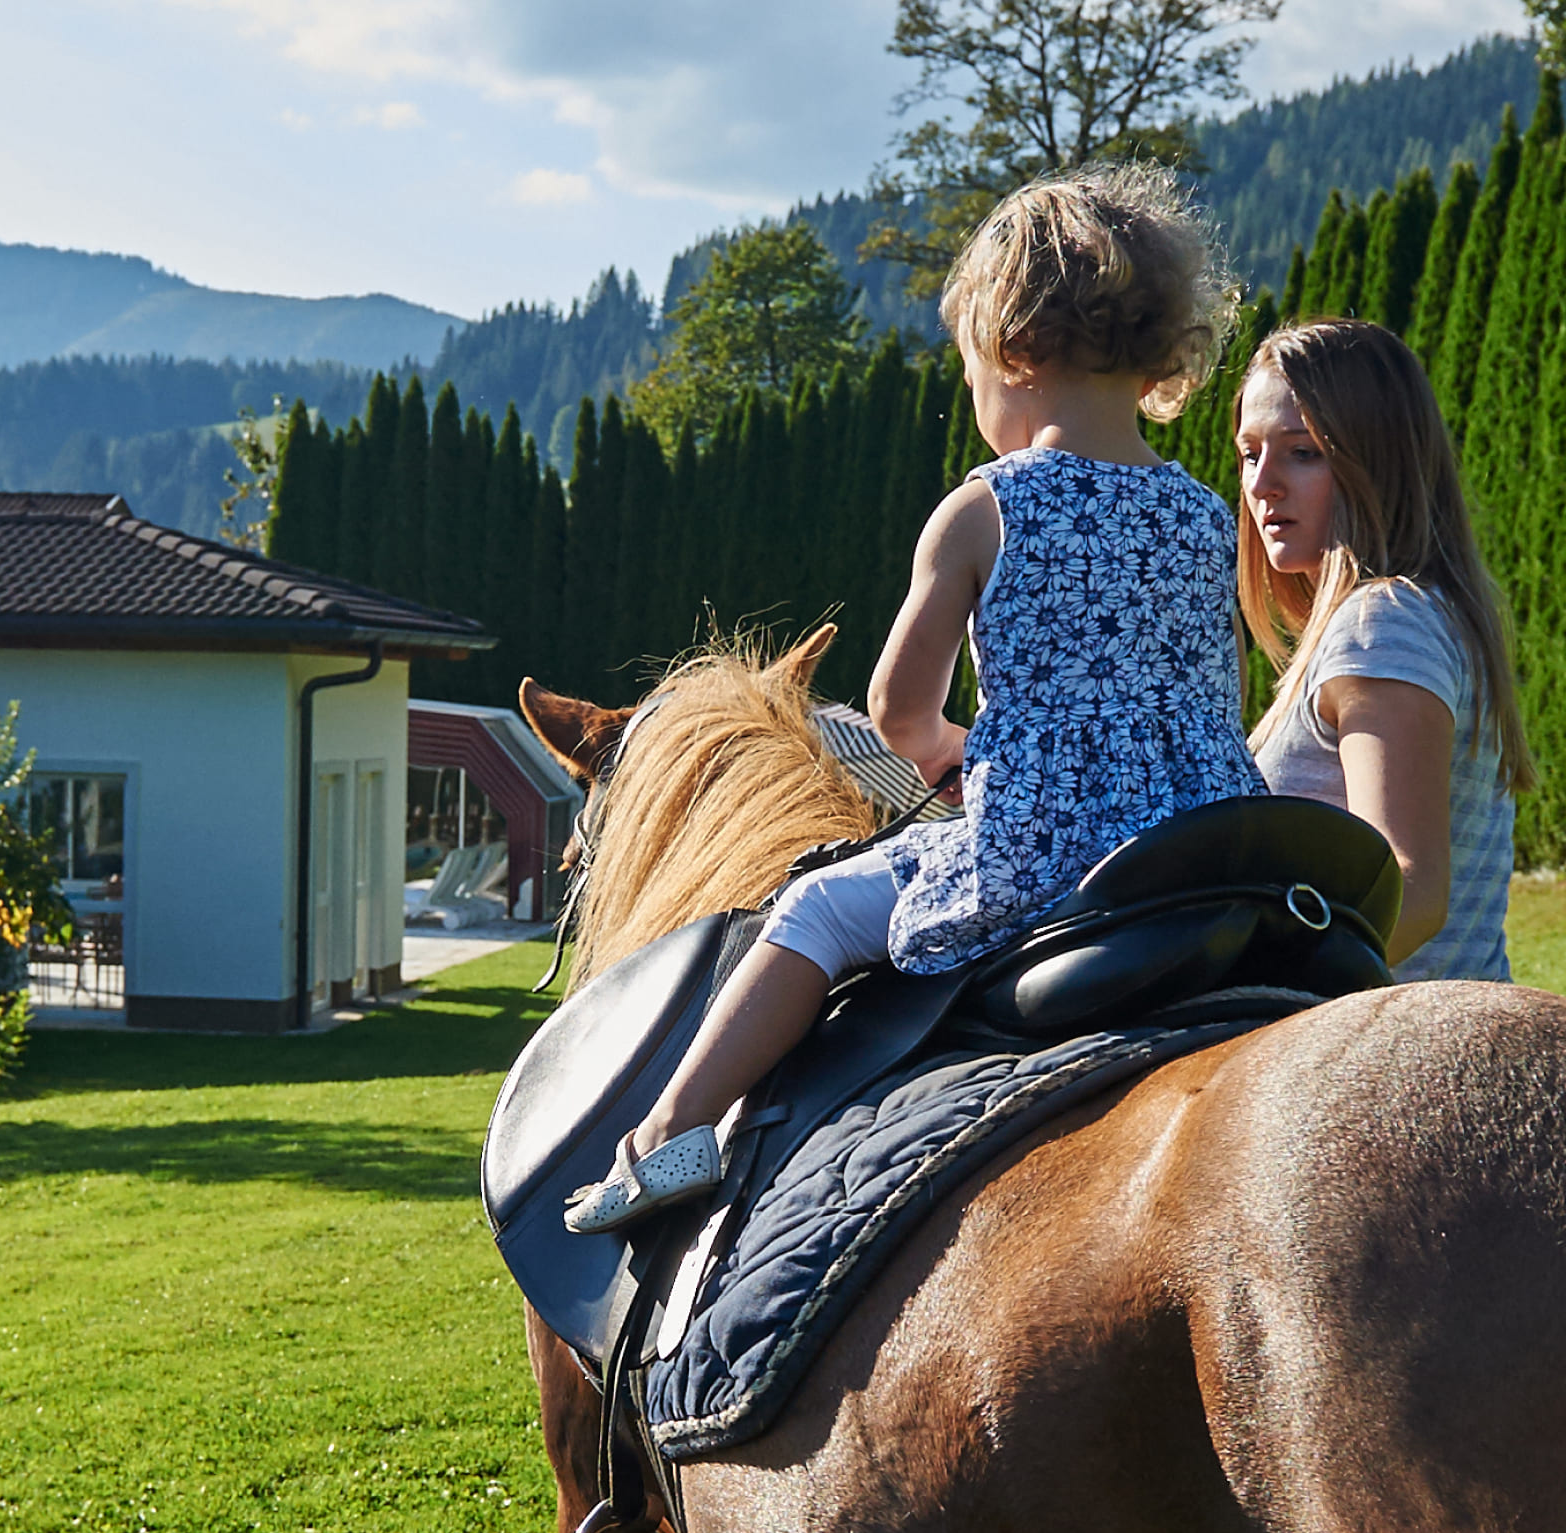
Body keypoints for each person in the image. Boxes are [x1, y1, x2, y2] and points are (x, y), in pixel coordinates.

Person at [565, 164, 1266, 1235]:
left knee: (813, 909)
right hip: (1211, 838)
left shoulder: (985, 508)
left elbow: (897, 715)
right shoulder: (1206, 515)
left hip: (1048, 844)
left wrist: (960, 750)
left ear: (1011, 349)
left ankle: (667, 1136)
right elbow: (1199, 689)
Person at [1236, 319, 1533, 981]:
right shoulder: (1408, 616)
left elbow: (1412, 891)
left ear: (1375, 458)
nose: (1262, 485)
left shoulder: (1383, 621)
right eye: (1250, 453)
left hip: (1394, 1051)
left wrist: (1249, 994)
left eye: (1302, 451)